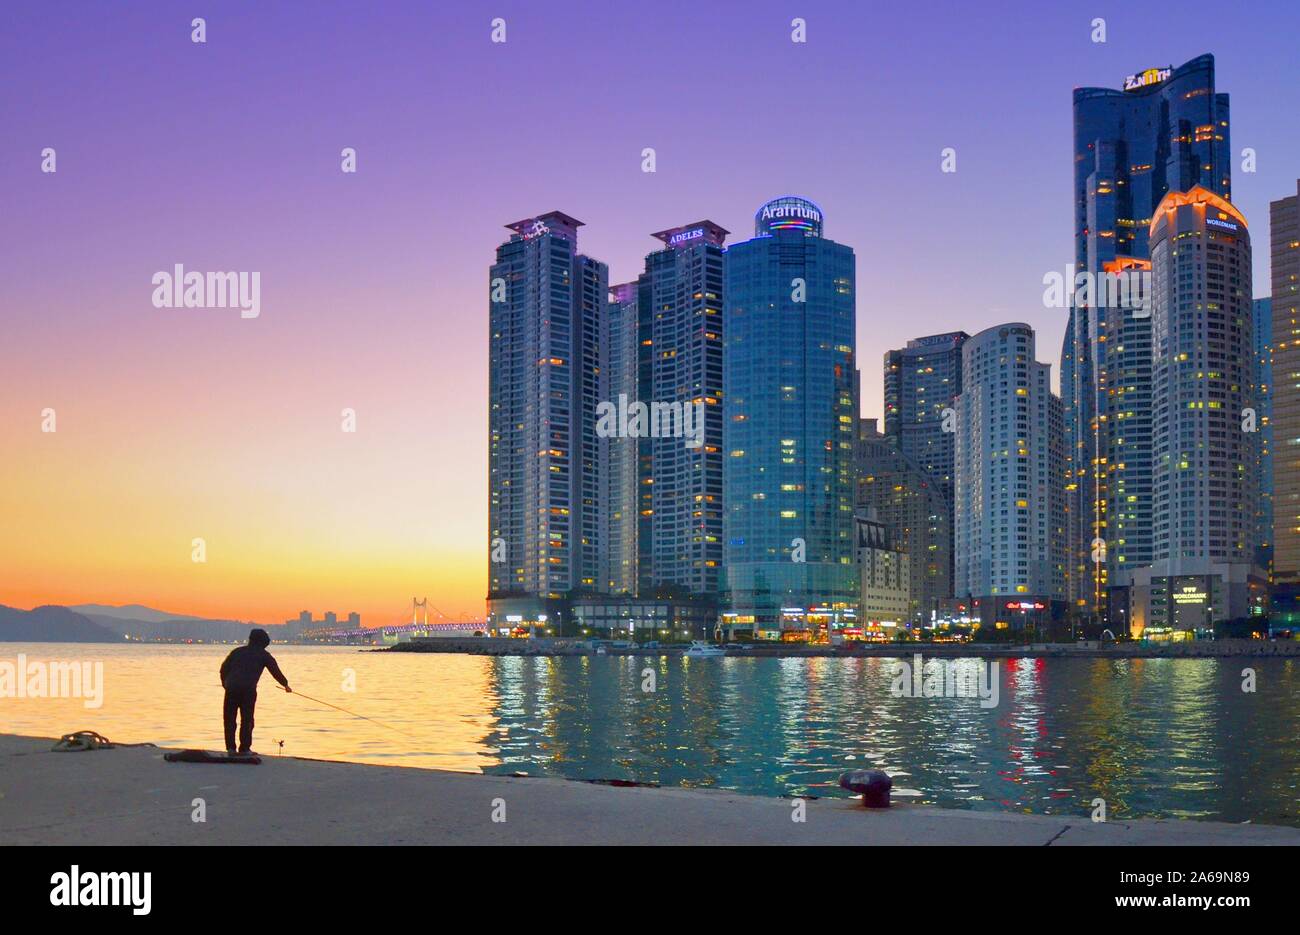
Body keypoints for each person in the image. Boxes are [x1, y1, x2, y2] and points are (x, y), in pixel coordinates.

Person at [219, 628, 290, 755]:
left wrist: (225, 683)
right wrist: (285, 684)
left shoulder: (237, 652)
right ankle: (245, 749)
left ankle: (230, 749)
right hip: (248, 690)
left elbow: (223, 669)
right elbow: (275, 672)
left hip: (232, 688)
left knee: (229, 719)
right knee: (247, 720)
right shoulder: (264, 655)